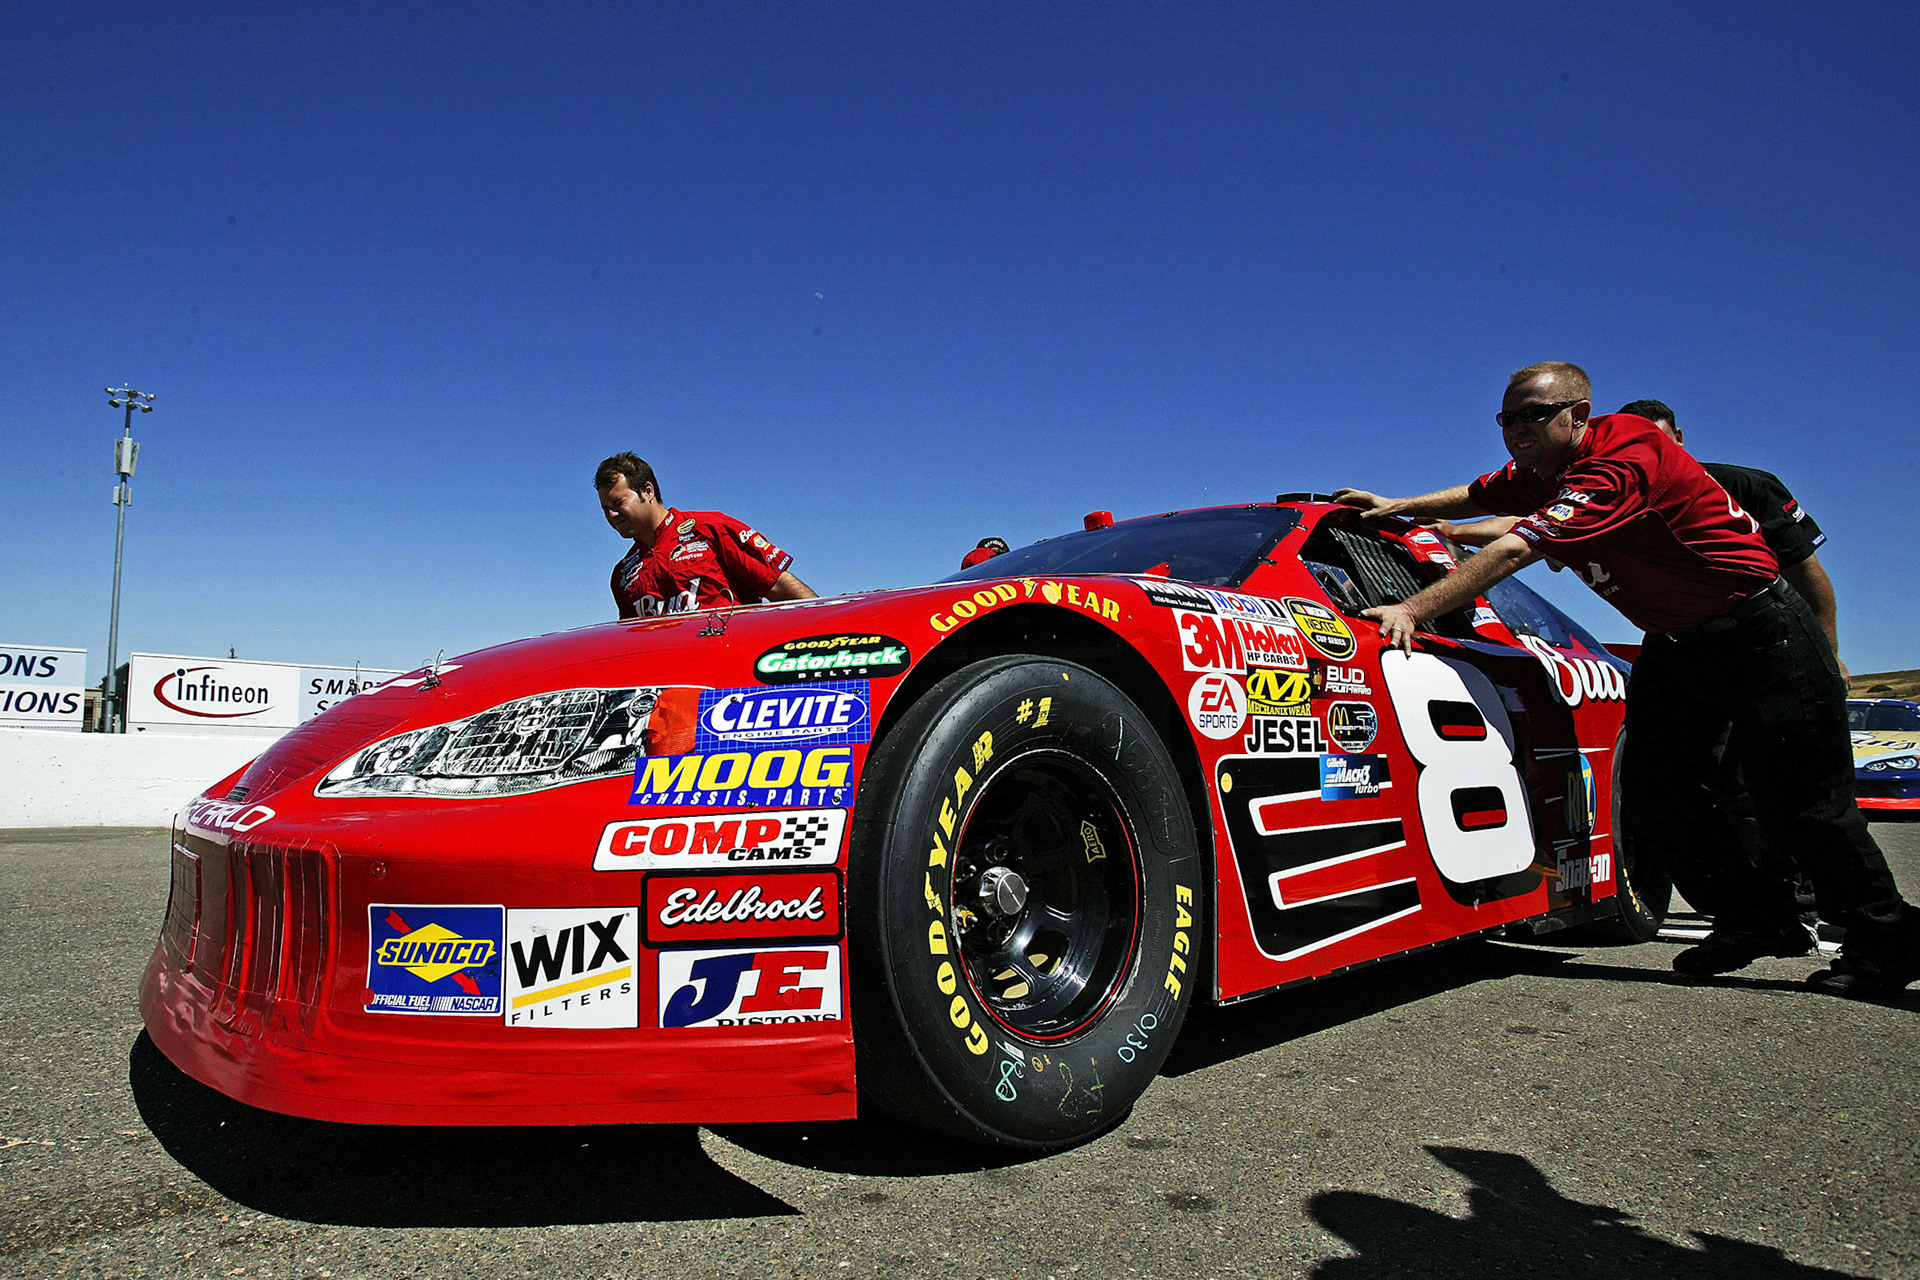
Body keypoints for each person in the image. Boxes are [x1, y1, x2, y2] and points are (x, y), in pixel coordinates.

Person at [1332, 361, 1918, 996]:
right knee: (1654, 791)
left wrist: (1414, 609)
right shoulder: (1546, 467)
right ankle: (1756, 919)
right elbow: (1481, 494)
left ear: (1577, 416)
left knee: (1805, 804)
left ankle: (1888, 942)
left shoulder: (1624, 460)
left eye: (1532, 415)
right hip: (1676, 644)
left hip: (1759, 632)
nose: (1515, 429)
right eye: (1506, 418)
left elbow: (1513, 548)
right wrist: (1399, 507)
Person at [1619, 399, 1845, 679]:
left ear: (1678, 439)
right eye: (1635, 448)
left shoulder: (1747, 487)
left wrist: (1828, 654)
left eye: (1658, 443)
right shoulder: (1615, 508)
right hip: (1674, 644)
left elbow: (1804, 569)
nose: (1651, 457)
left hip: (1758, 637)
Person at [594, 452, 817, 619]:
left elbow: (780, 588)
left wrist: (835, 629)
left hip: (734, 672)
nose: (612, 515)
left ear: (648, 491)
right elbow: (629, 640)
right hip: (671, 676)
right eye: (605, 508)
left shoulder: (710, 528)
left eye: (618, 503)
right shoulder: (622, 574)